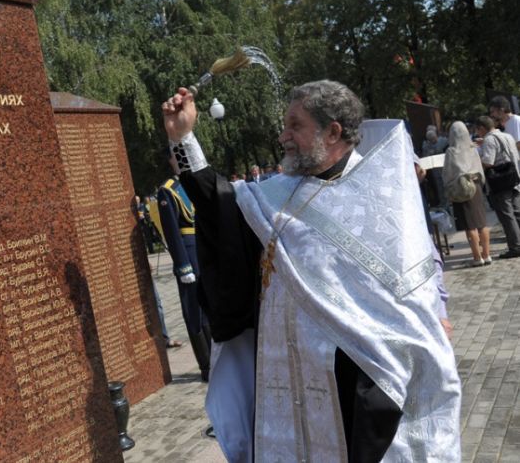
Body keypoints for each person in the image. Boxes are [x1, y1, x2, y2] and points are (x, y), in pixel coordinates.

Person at [162, 80, 460, 461]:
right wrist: (182, 138)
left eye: (295, 125)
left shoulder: (380, 195)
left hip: (356, 372)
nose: (283, 136)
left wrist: (437, 312)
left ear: (332, 131)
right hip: (284, 374)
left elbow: (418, 270)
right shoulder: (274, 195)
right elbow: (217, 202)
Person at [155, 159, 212, 381]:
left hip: (201, 251)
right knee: (193, 311)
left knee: (207, 308)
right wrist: (182, 264)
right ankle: (206, 365)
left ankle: (215, 357)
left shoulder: (190, 185)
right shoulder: (167, 191)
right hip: (188, 256)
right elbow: (171, 231)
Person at [443, 121, 491, 267]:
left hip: (461, 188)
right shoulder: (473, 148)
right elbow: (480, 169)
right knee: (482, 223)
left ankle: (477, 258)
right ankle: (487, 255)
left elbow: (448, 173)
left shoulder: (451, 151)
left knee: (469, 225)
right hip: (475, 186)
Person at [476, 115, 520, 259]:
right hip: (513, 178)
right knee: (516, 212)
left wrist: (476, 162)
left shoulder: (489, 140)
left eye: (477, 130)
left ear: (482, 128)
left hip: (500, 182)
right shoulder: (507, 136)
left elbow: (488, 162)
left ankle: (515, 247)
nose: (477, 133)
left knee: (507, 216)